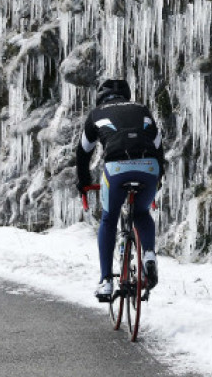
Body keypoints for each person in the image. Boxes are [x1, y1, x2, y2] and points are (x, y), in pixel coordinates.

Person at [76, 77, 166, 300]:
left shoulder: (96, 114)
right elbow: (158, 145)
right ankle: (148, 254)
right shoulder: (141, 108)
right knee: (142, 213)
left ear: (100, 96)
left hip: (117, 168)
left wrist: (84, 182)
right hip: (149, 167)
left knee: (109, 219)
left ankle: (106, 281)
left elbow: (83, 152)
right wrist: (158, 177)